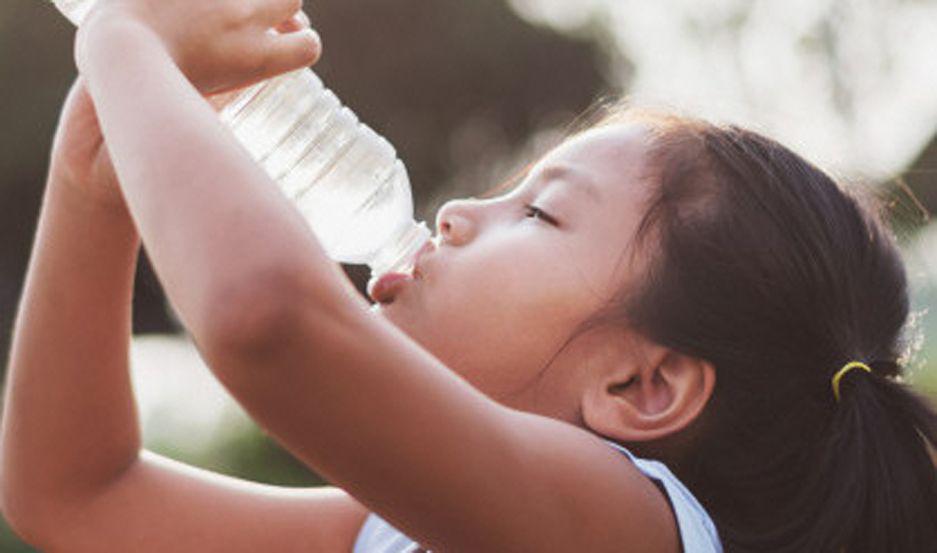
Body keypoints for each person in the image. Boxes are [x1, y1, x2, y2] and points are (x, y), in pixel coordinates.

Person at [1, 0, 935, 551]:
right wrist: (92, 178)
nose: (456, 213)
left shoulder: (627, 523)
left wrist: (126, 41)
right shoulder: (406, 527)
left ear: (641, 386)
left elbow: (265, 321)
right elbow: (75, 492)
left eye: (536, 211)